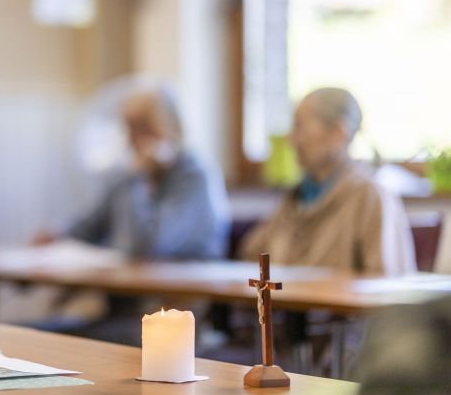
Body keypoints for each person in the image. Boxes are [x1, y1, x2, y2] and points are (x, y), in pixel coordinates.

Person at [35, 82, 229, 259]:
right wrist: (57, 233)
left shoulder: (193, 175)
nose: (132, 138)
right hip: (130, 287)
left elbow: (147, 245)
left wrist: (140, 177)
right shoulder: (127, 173)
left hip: (184, 289)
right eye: (129, 127)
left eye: (143, 127)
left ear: (172, 126)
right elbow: (93, 223)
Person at [241, 88, 416, 274]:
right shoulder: (295, 197)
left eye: (299, 127)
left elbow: (387, 284)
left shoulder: (371, 196)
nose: (290, 139)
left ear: (337, 133)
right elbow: (250, 258)